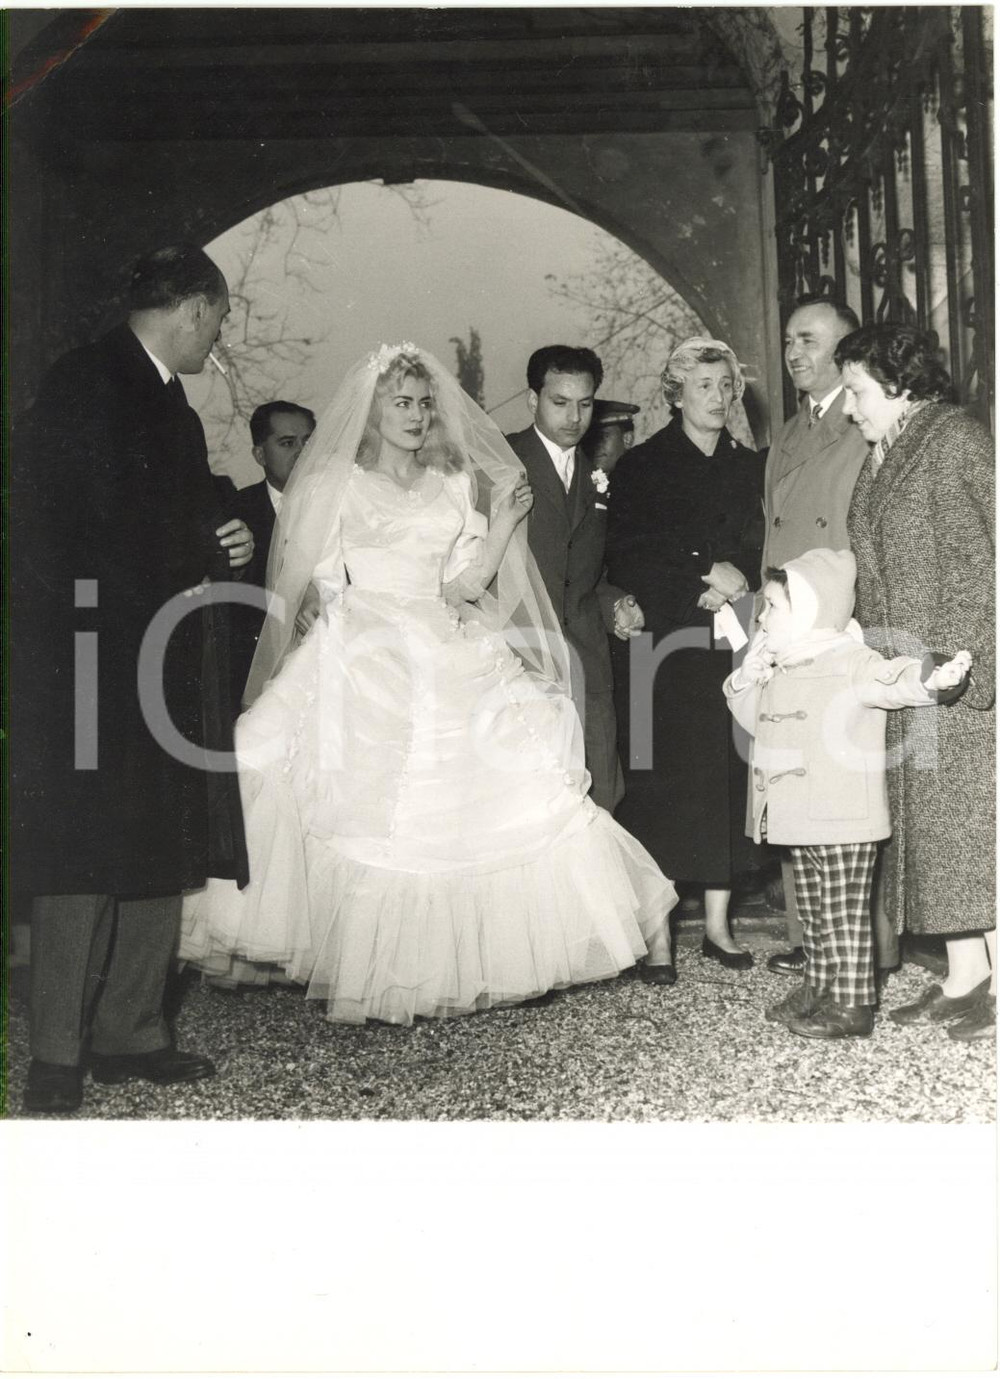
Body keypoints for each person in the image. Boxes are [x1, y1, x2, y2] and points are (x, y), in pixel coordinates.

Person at [180, 344, 679, 1023]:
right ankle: (356, 954)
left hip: (440, 632)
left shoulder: (451, 485)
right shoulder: (337, 484)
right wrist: (319, 642)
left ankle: (451, 963)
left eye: (422, 404)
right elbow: (317, 583)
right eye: (400, 403)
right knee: (288, 767)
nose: (415, 416)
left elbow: (464, 584)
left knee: (483, 789)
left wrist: (502, 524)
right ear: (371, 411)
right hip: (363, 640)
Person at [10, 243, 255, 1113]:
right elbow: (77, 517)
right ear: (192, 308)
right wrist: (194, 540)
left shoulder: (170, 402)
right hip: (86, 653)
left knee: (159, 836)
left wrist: (225, 523)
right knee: (80, 847)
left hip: (158, 653)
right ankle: (57, 1055)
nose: (218, 337)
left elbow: (178, 497)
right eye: (220, 319)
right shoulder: (85, 381)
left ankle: (133, 1031)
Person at [725, 549, 972, 1038]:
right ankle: (820, 985)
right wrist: (748, 679)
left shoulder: (850, 658)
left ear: (814, 611)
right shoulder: (783, 664)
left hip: (842, 815)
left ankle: (854, 1006)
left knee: (844, 915)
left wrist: (929, 677)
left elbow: (891, 679)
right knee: (816, 912)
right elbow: (757, 723)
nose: (762, 616)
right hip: (802, 816)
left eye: (772, 606)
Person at [838, 323, 996, 1041]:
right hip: (911, 672)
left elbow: (983, 557)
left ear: (898, 383)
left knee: (972, 834)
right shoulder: (885, 452)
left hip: (956, 670)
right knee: (937, 840)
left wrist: (968, 665)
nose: (848, 405)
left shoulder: (956, 438)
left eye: (857, 389)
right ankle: (965, 976)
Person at [605, 337, 764, 968]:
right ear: (676, 393)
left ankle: (720, 926)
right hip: (666, 642)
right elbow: (629, 549)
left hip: (732, 641)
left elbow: (761, 539)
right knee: (663, 778)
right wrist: (703, 579)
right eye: (704, 386)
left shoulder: (747, 466)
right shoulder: (642, 466)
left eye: (727, 386)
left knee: (728, 774)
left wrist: (741, 578)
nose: (719, 398)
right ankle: (659, 933)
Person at [759, 294, 871, 978]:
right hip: (788, 624)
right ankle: (813, 943)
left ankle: (863, 952)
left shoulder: (863, 426)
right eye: (790, 341)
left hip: (835, 625)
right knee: (795, 778)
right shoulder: (790, 434)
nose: (794, 352)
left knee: (847, 787)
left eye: (809, 340)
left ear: (844, 349)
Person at [505, 346, 643, 811]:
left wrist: (615, 605)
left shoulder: (597, 476)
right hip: (518, 659)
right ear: (532, 400)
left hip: (586, 662)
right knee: (530, 800)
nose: (574, 416)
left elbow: (590, 575)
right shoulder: (500, 464)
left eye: (585, 404)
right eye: (559, 402)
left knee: (600, 793)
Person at [227, 401, 316, 712]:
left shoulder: (344, 503)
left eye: (309, 441)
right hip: (255, 674)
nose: (303, 452)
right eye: (288, 443)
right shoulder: (236, 510)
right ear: (260, 455)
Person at [578, 398, 639, 477]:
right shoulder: (580, 483)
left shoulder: (643, 481)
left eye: (604, 436)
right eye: (590, 437)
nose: (596, 444)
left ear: (627, 439)